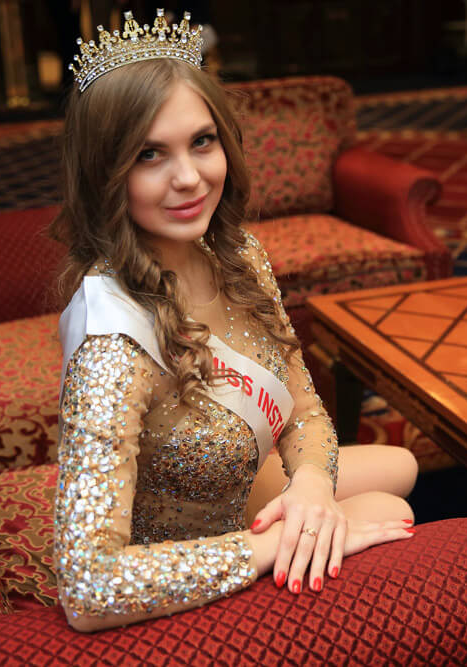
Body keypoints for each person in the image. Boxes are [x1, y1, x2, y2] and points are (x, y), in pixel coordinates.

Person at [49, 9, 419, 633]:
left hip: (233, 480)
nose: (189, 178)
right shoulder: (112, 345)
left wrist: (311, 488)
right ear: (104, 173)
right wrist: (269, 547)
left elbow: (302, 408)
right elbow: (88, 590)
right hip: (179, 552)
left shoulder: (237, 255)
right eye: (149, 155)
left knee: (403, 466)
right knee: (389, 508)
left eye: (202, 142)